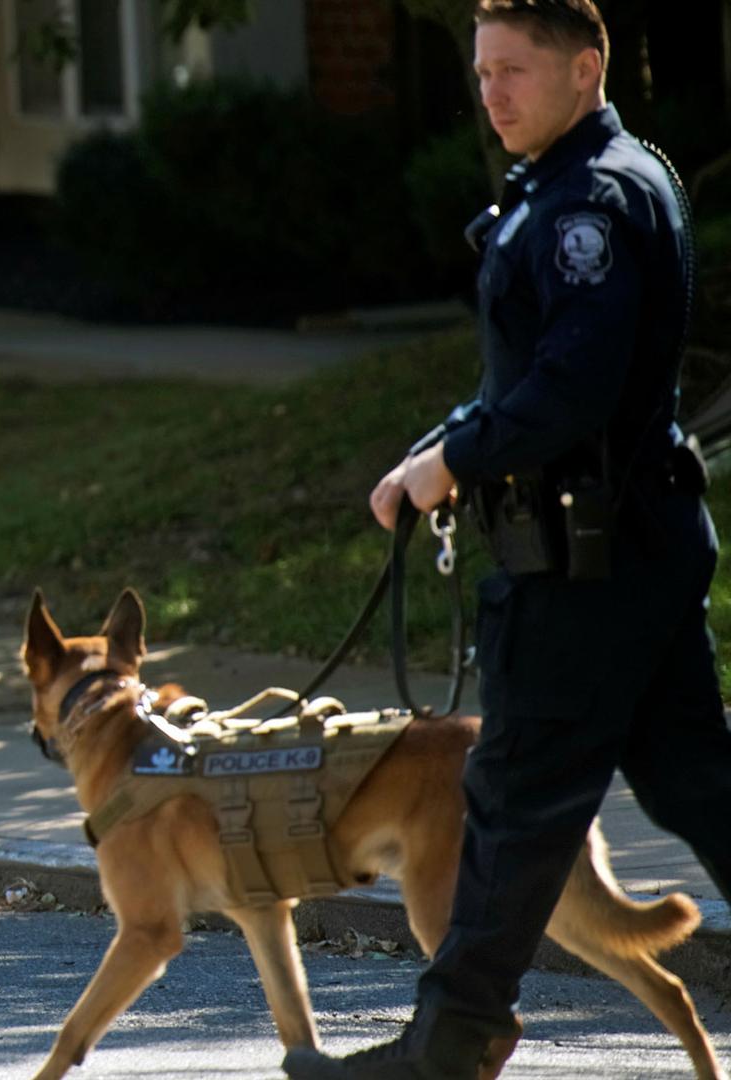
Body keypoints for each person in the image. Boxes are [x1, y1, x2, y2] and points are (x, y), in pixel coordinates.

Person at [284, 1, 724, 1076]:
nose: (491, 93)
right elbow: (527, 379)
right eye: (481, 73)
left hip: (587, 561)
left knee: (516, 793)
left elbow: (572, 385)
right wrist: (439, 448)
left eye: (513, 71)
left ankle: (451, 1040)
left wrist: (455, 461)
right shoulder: (573, 185)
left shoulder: (595, 202)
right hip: (624, 544)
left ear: (585, 68)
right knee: (692, 783)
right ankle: (455, 1033)